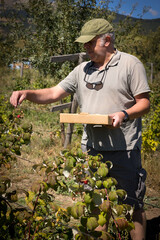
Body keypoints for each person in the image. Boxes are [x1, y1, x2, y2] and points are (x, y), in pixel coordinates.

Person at [10, 18, 150, 240]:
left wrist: (124, 114)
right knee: (94, 206)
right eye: (84, 43)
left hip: (125, 150)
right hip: (92, 150)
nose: (85, 47)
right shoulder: (81, 70)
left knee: (132, 206)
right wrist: (27, 92)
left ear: (107, 40)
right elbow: (54, 93)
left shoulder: (130, 65)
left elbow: (144, 103)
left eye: (90, 42)